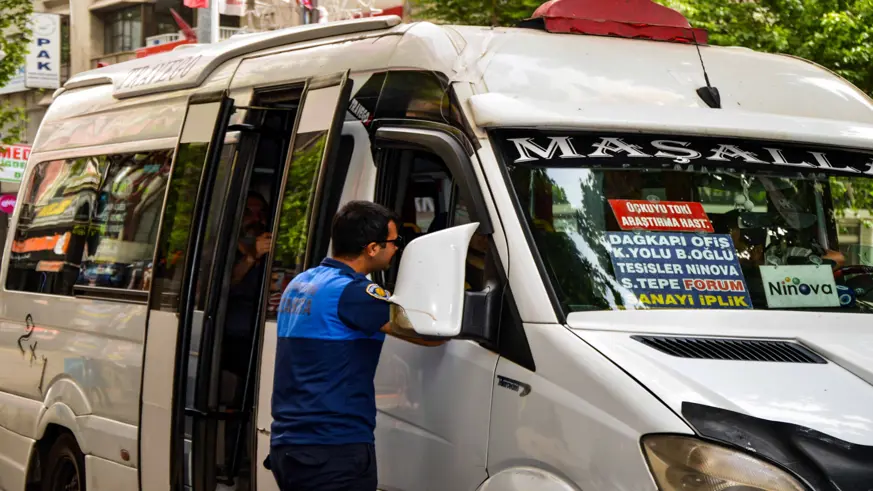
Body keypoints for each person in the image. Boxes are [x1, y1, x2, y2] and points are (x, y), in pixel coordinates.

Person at [268, 200, 445, 491]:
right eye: (394, 241)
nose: (397, 248)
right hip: (333, 447)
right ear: (372, 248)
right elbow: (429, 334)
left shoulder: (302, 282)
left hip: (290, 445)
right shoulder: (354, 292)